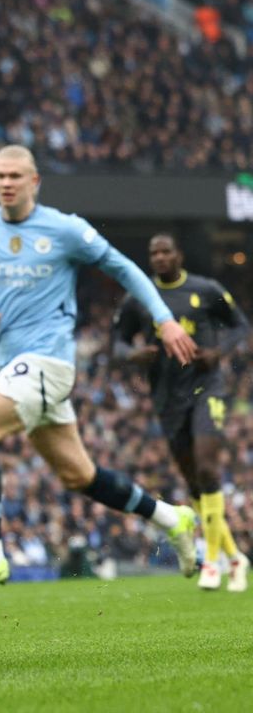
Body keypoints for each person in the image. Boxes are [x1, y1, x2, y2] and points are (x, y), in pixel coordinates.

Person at [0, 145, 200, 596]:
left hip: (48, 363)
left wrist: (163, 319)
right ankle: (171, 518)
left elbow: (125, 270)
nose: (6, 183)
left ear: (34, 181)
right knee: (79, 476)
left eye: (15, 176)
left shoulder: (64, 229)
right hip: (17, 367)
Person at [112, 233, 250, 591]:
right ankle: (235, 558)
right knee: (194, 483)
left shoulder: (205, 289)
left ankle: (214, 562)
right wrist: (132, 355)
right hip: (167, 396)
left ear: (179, 255)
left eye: (165, 251)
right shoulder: (139, 297)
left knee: (207, 468)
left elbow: (240, 326)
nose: (159, 258)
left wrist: (218, 353)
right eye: (153, 252)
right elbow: (118, 342)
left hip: (207, 388)